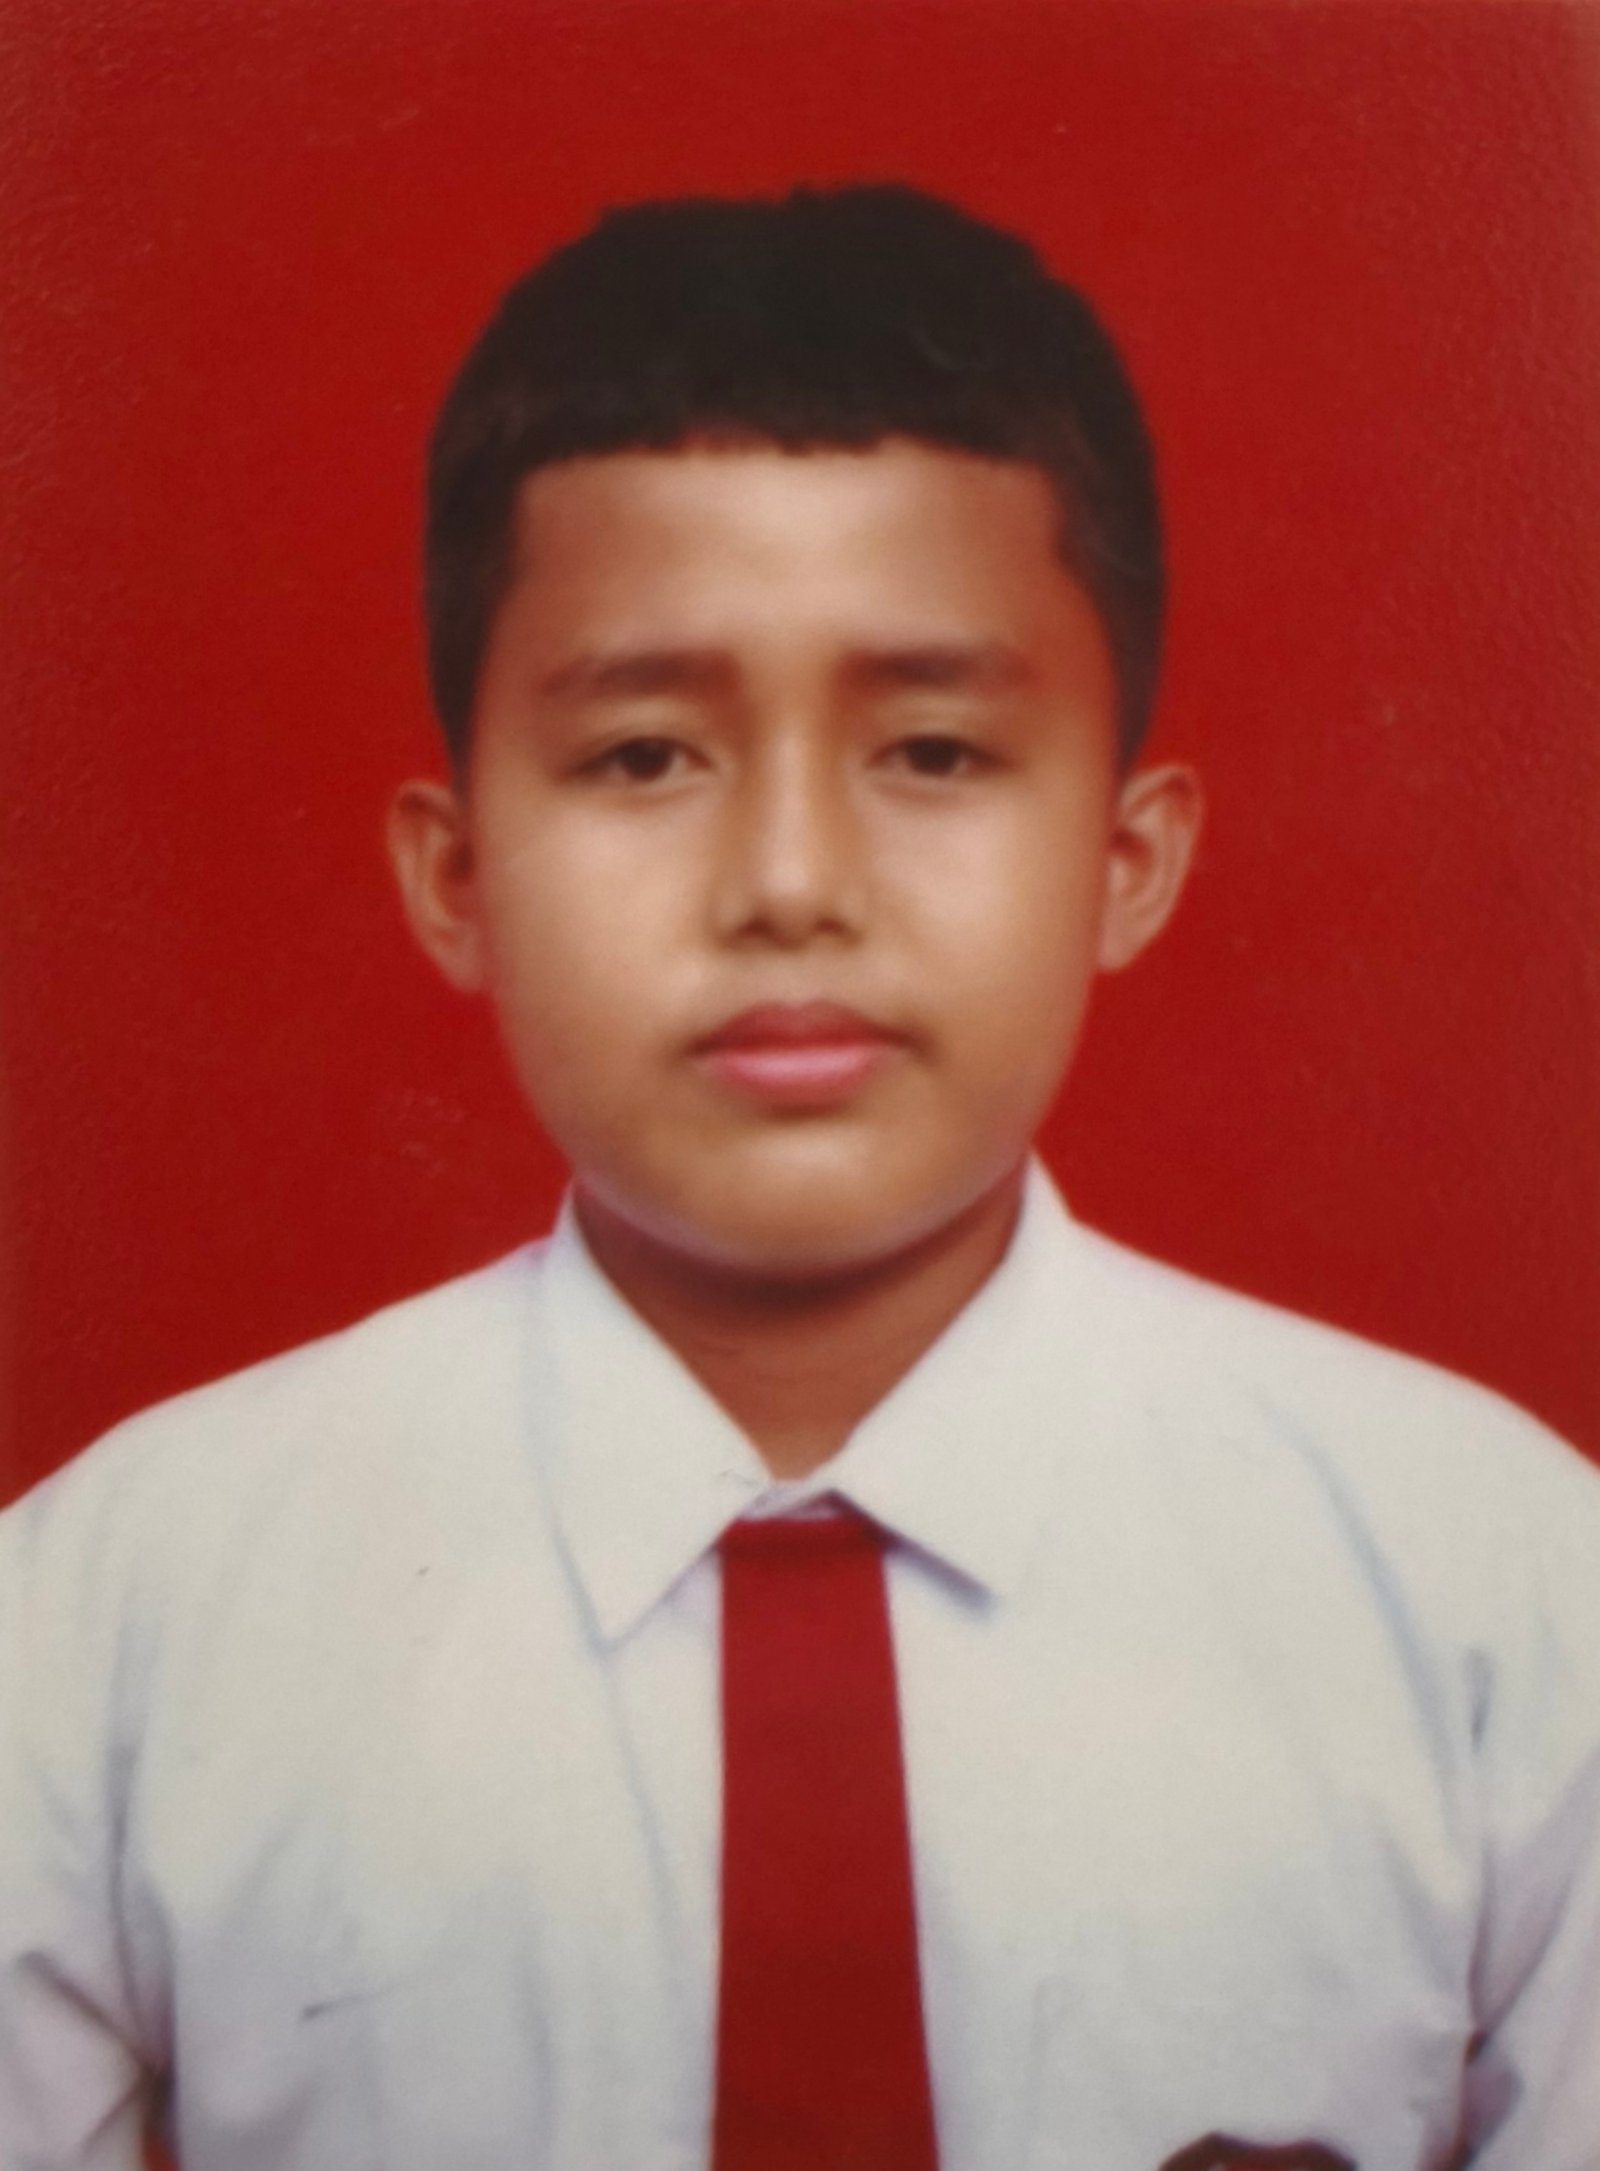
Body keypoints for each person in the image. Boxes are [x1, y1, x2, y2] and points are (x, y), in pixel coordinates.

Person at [2, 183, 1597, 2171]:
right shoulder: (104, 1627)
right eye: (643, 757)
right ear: (456, 875)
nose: (786, 885)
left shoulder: (1505, 1604)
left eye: (931, 751)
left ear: (1127, 860)